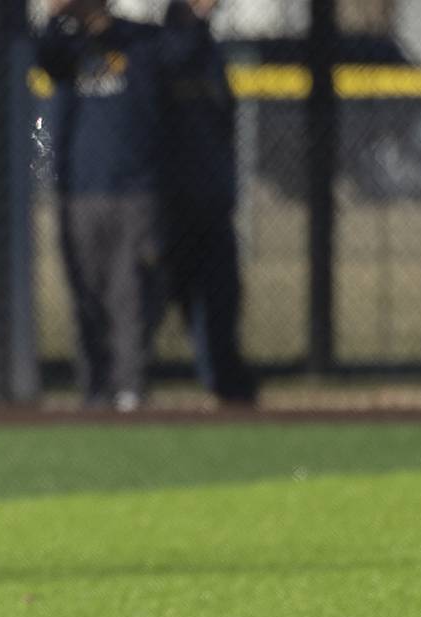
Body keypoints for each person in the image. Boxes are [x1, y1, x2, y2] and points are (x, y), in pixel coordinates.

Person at [32, 0, 194, 411]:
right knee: (86, 294)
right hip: (80, 192)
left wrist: (191, 15)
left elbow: (182, 53)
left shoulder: (141, 41)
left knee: (131, 291)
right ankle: (95, 389)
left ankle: (130, 389)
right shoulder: (67, 47)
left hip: (136, 191)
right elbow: (46, 57)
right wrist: (56, 15)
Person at [160, 0, 258, 404]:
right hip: (170, 206)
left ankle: (226, 385)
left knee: (220, 301)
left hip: (212, 202)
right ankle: (119, 392)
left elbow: (223, 121)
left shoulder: (210, 52)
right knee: (150, 302)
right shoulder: (164, 48)